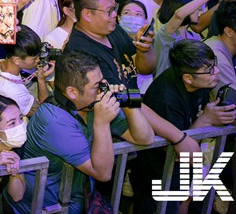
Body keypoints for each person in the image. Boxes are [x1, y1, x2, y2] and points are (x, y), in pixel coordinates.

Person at [11, 51, 154, 214]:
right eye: (97, 85)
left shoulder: (93, 104)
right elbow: (103, 173)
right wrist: (102, 123)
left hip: (76, 203)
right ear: (72, 92)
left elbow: (146, 138)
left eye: (103, 81)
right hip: (43, 208)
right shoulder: (53, 120)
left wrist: (126, 102)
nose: (103, 88)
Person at [131, 40, 236, 214]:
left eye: (215, 64)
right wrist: (205, 120)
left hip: (180, 172)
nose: (216, 72)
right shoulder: (165, 98)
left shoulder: (200, 82)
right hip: (158, 175)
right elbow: (177, 150)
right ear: (188, 78)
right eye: (209, 69)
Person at [0, 26, 54, 117]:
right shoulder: (12, 90)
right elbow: (44, 112)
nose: (38, 60)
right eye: (34, 58)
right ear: (17, 61)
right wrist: (41, 80)